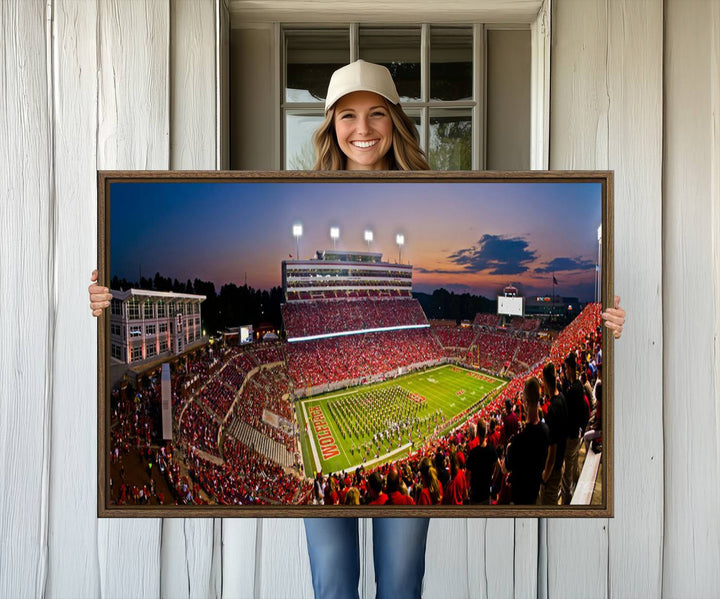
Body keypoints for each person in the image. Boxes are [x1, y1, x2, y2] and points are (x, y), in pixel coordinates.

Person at [87, 59, 627, 598]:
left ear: (395, 120)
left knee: (399, 584)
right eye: (347, 116)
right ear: (330, 126)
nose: (362, 129)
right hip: (342, 429)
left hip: (397, 460)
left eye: (375, 114)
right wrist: (105, 301)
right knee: (334, 583)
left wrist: (604, 321)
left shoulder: (432, 189)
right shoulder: (300, 188)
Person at [505, 377, 550, 504]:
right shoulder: (546, 431)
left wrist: (509, 449)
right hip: (537, 493)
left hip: (521, 499)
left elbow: (505, 468)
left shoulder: (518, 441)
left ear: (526, 402)